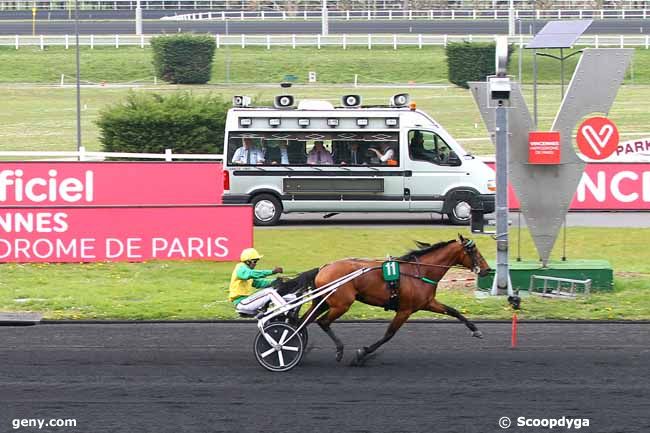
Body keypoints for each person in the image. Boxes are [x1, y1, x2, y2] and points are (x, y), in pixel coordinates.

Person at [229, 248, 286, 316]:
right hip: (242, 303)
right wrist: (272, 272)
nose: (256, 264)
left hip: (247, 302)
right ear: (248, 261)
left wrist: (276, 281)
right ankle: (286, 310)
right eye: (255, 261)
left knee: (273, 290)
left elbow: (259, 283)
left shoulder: (246, 272)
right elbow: (252, 274)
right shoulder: (241, 268)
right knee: (269, 292)